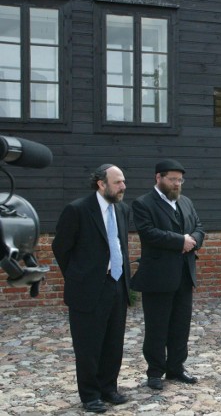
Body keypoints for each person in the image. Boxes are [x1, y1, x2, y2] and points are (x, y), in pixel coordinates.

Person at [52, 164, 131, 413]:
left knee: (113, 342)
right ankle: (90, 395)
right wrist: (78, 277)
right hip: (87, 289)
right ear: (101, 183)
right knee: (88, 346)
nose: (123, 186)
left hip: (116, 283)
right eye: (118, 182)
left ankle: (109, 388)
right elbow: (61, 248)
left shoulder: (122, 210)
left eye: (123, 181)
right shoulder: (77, 210)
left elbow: (119, 244)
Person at [131, 159, 205, 391]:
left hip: (184, 274)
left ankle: (176, 367)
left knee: (180, 325)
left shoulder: (186, 202)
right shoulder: (143, 204)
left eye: (179, 180)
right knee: (157, 326)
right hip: (158, 276)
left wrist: (192, 241)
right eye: (172, 179)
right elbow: (149, 233)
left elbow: (199, 227)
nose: (177, 184)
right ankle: (155, 371)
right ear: (158, 178)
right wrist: (180, 241)